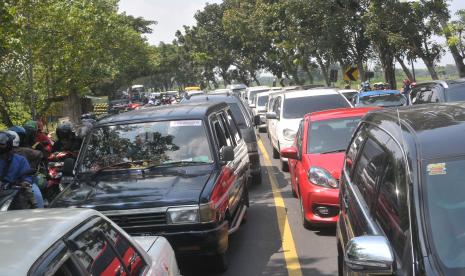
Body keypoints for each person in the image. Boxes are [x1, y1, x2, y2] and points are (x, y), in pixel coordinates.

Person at [6, 130, 44, 208]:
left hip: (18, 187)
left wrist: (26, 181)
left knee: (36, 199)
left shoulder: (21, 157)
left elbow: (27, 176)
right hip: (4, 189)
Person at [0, 132, 37, 209]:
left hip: (13, 192)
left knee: (29, 201)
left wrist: (25, 182)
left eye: (2, 144)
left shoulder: (20, 160)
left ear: (9, 144)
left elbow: (26, 175)